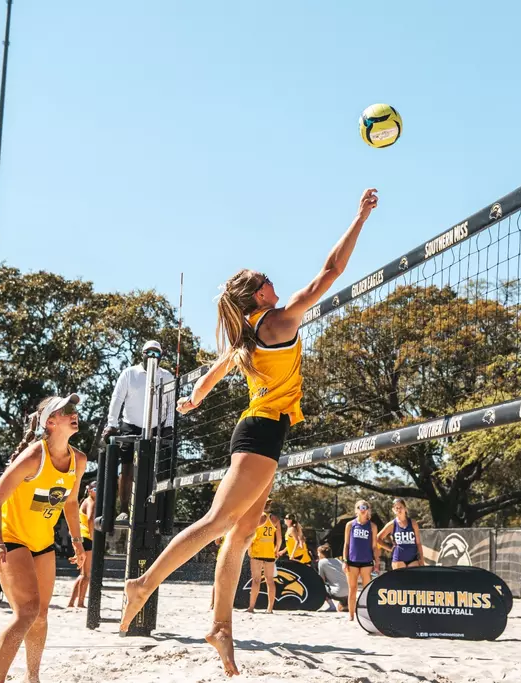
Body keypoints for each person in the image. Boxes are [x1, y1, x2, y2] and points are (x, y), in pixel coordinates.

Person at [118, 188, 379, 677]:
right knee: (220, 522)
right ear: (259, 294)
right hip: (260, 433)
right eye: (266, 280)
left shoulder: (249, 331)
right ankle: (144, 582)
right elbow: (331, 272)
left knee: (238, 534)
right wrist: (359, 217)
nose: (273, 281)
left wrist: (198, 394)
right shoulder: (277, 322)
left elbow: (221, 365)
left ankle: (220, 627)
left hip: (265, 432)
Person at [0, 394, 87, 683]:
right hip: (12, 539)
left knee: (41, 615)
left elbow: (70, 503)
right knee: (27, 612)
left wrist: (78, 543)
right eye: (67, 410)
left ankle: (33, 678)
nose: (74, 413)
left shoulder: (78, 459)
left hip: (43, 543)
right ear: (51, 422)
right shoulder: (33, 456)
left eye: (74, 409)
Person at [103, 340, 176, 521]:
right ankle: (124, 510)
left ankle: (151, 512)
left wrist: (169, 426)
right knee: (127, 468)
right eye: (148, 353)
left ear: (161, 357)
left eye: (156, 354)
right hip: (131, 425)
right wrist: (111, 424)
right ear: (142, 354)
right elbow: (117, 398)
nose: (152, 357)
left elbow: (171, 404)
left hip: (155, 428)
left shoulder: (166, 376)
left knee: (155, 469)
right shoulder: (129, 374)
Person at [343, 500, 380, 622]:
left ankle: (367, 614)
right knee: (352, 589)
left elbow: (374, 546)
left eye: (365, 507)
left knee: (366, 589)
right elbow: (346, 544)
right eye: (360, 507)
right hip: (352, 561)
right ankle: (351, 615)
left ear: (368, 510)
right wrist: (345, 560)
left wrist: (377, 563)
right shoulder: (350, 525)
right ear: (356, 510)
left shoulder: (372, 526)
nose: (363, 509)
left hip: (367, 561)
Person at [246, 499, 281, 613]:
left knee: (256, 580)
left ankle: (251, 607)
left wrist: (249, 548)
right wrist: (277, 550)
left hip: (257, 551)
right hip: (269, 553)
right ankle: (269, 609)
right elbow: (279, 539)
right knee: (270, 581)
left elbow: (251, 535)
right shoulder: (275, 519)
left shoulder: (257, 517)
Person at [68, 482, 97, 608]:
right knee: (86, 575)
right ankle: (80, 603)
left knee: (82, 574)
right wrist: (92, 536)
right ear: (90, 490)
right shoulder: (91, 501)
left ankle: (71, 603)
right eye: (95, 489)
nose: (98, 491)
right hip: (86, 538)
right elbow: (90, 519)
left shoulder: (85, 500)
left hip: (82, 538)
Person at [377, 498, 425, 569]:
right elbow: (378, 538)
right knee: (400, 580)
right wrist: (390, 548)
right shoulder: (392, 524)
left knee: (413, 580)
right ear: (393, 510)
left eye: (401, 507)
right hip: (398, 560)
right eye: (396, 508)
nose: (399, 510)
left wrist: (422, 559)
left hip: (413, 559)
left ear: (405, 509)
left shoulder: (413, 523)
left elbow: (418, 543)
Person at [316, 544, 349, 612]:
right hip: (348, 592)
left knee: (320, 587)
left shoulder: (322, 562)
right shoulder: (338, 560)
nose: (318, 555)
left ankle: (332, 606)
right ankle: (345, 605)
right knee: (341, 608)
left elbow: (321, 580)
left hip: (337, 592)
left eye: (318, 553)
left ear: (322, 554)